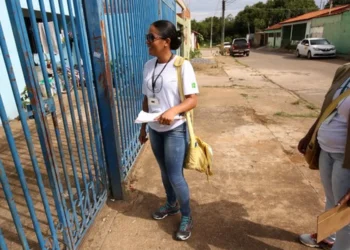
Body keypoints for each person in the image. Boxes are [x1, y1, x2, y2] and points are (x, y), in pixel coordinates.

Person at [138, 20, 199, 241]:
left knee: (175, 175)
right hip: (154, 129)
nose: (148, 41)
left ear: (166, 42)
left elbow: (192, 100)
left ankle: (187, 215)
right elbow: (147, 98)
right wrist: (144, 127)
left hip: (175, 129)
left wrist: (174, 110)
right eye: (148, 37)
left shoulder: (183, 65)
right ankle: (171, 204)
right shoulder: (148, 65)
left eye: (151, 37)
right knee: (164, 172)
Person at [298, 63, 350, 250]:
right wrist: (310, 134)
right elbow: (327, 109)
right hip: (327, 149)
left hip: (346, 158)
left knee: (345, 212)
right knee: (331, 199)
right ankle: (327, 237)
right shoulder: (345, 71)